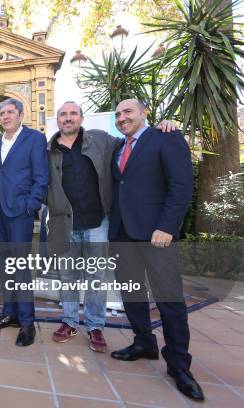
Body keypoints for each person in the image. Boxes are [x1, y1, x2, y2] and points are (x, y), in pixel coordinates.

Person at [47, 101, 176, 352]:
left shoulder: (101, 140)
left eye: (73, 113)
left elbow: (135, 145)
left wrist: (160, 127)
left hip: (98, 222)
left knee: (96, 277)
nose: (68, 118)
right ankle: (70, 321)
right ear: (58, 120)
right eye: (63, 114)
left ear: (81, 118)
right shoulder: (48, 149)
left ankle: (95, 325)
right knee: (67, 277)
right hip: (64, 224)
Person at [109, 99, 203, 401]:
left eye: (128, 112)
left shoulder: (166, 137)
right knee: (132, 294)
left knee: (169, 301)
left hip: (157, 236)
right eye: (119, 114)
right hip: (123, 234)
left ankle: (178, 365)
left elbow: (181, 185)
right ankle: (143, 342)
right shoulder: (118, 148)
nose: (122, 118)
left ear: (144, 113)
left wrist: (167, 226)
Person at [0, 98, 48, 347]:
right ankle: (9, 313)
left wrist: (30, 206)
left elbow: (41, 177)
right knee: (5, 265)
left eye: (10, 112)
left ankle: (27, 322)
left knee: (20, 267)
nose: (5, 116)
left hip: (19, 213)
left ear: (21, 115)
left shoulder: (34, 139)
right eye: (2, 113)